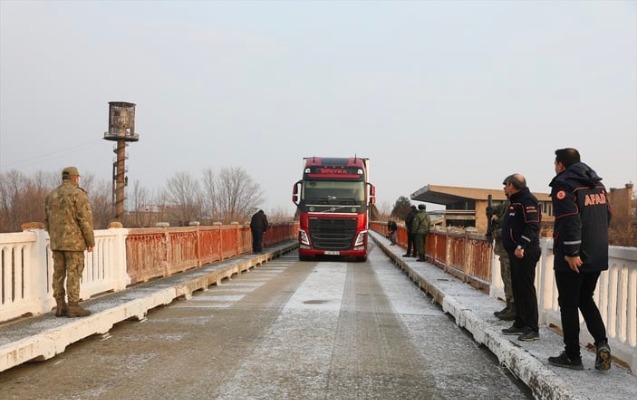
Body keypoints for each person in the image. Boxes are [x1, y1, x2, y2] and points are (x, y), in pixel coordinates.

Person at [548, 148, 612, 371]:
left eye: (555, 164)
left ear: (561, 164)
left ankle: (572, 355)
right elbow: (608, 217)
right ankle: (602, 344)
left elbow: (569, 219)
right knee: (585, 298)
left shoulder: (564, 184)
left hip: (573, 258)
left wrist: (572, 253)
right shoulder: (598, 185)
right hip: (597, 253)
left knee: (568, 303)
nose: (554, 168)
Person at [44, 166, 95, 318]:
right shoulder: (78, 195)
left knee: (58, 273)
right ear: (74, 178)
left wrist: (54, 236)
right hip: (74, 243)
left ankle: (60, 306)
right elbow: (85, 220)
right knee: (74, 271)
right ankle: (73, 306)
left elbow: (47, 221)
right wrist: (90, 241)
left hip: (57, 243)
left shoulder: (51, 195)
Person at [500, 174, 541, 341]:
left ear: (511, 185)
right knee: (517, 287)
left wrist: (521, 245)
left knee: (526, 289)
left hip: (525, 251)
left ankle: (532, 328)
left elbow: (533, 225)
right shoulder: (515, 201)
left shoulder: (527, 200)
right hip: (515, 252)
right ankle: (520, 322)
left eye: (505, 185)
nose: (503, 188)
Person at [487, 199, 515, 321]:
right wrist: (490, 211)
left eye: (507, 186)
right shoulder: (506, 204)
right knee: (505, 277)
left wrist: (496, 232)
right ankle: (509, 305)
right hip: (503, 248)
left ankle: (513, 308)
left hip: (509, 248)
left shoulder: (515, 204)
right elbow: (496, 209)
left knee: (510, 279)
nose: (505, 189)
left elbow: (511, 227)